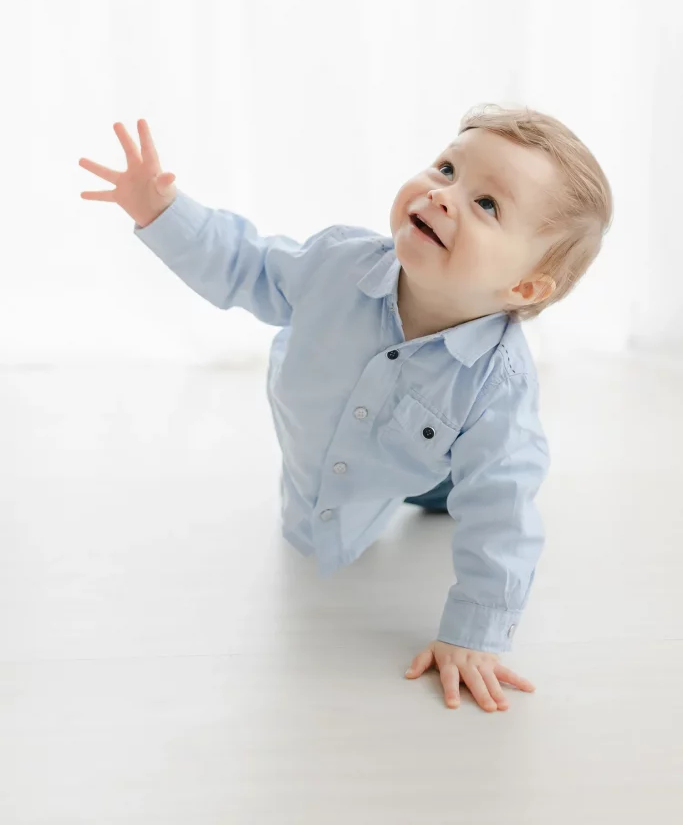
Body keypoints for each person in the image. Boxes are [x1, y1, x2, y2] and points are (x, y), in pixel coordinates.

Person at [78, 104, 612, 712]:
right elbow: (247, 264)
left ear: (524, 287)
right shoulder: (338, 264)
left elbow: (503, 509)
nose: (443, 196)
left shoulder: (498, 384)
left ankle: (433, 493)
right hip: (338, 442)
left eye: (487, 205)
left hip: (435, 461)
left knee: (465, 486)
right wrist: (163, 212)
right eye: (446, 169)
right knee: (326, 501)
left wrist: (473, 636)